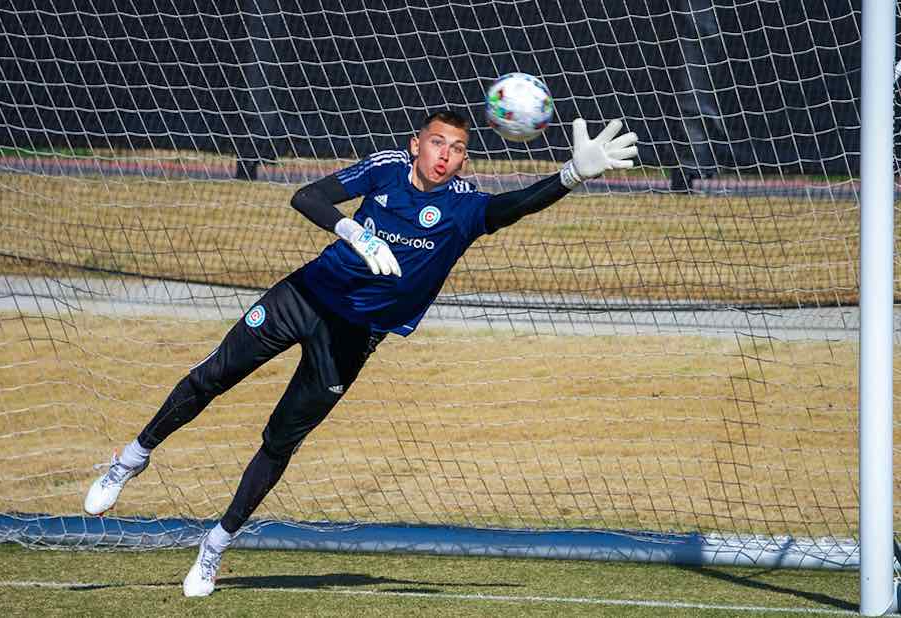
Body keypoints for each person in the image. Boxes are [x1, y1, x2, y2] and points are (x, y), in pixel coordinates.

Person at [83, 110, 638, 597]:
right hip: (302, 297)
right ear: (417, 144)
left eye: (459, 148)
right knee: (213, 376)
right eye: (438, 142)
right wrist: (355, 233)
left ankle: (216, 543)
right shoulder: (385, 168)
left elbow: (512, 208)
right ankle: (131, 458)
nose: (446, 155)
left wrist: (570, 175)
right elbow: (307, 197)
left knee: (281, 439)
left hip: (353, 337)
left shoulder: (464, 207)